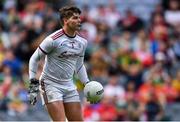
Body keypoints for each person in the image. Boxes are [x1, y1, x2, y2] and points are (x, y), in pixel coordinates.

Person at [28, 6, 90, 121]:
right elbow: (34, 59)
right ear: (65, 20)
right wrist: (32, 84)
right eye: (75, 18)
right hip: (50, 84)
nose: (79, 20)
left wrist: (87, 84)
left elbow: (79, 65)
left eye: (79, 18)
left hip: (69, 85)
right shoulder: (53, 40)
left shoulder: (82, 42)